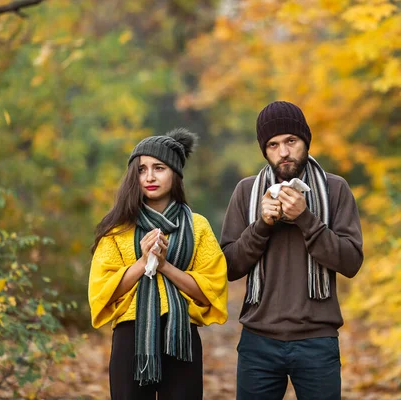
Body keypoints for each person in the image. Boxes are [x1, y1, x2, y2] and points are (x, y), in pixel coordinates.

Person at [220, 101, 363, 400]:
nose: (283, 152)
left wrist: (306, 219)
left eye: (291, 141)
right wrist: (261, 225)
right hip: (258, 341)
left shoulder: (335, 189)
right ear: (264, 150)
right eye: (273, 144)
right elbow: (230, 267)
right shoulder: (246, 192)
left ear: (305, 142)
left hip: (317, 342)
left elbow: (350, 262)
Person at [88, 128, 228, 400]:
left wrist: (164, 266)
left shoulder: (198, 227)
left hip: (182, 338)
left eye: (159, 168)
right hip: (131, 338)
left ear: (175, 173)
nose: (149, 177)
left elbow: (211, 290)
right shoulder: (118, 229)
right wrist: (143, 262)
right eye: (141, 170)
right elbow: (103, 291)